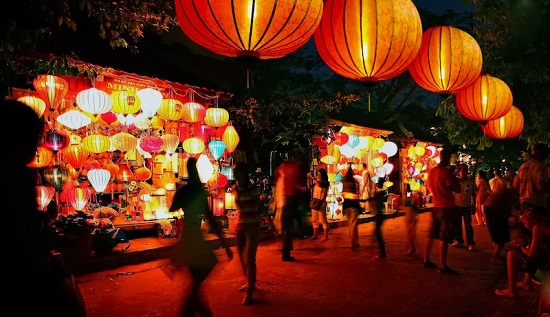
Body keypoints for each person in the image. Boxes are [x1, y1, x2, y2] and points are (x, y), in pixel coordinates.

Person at [1, 99, 86, 316]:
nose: (38, 147)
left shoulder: (19, 175)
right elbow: (22, 233)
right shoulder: (13, 179)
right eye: (35, 140)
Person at [167, 157, 233, 316]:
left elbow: (172, 208)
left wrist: (181, 196)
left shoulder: (184, 191)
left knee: (196, 281)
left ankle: (195, 311)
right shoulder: (200, 193)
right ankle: (197, 311)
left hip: (188, 235)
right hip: (195, 235)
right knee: (197, 281)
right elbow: (210, 219)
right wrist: (225, 242)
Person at [423, 148, 462, 275]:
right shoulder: (446, 172)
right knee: (444, 237)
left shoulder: (432, 171)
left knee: (431, 234)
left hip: (435, 206)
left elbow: (428, 187)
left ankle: (426, 259)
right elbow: (457, 188)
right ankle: (442, 265)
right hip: (446, 207)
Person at [495, 210, 550, 298]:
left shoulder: (537, 228)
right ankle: (526, 283)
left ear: (530, 220)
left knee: (511, 255)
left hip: (543, 275)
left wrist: (520, 246)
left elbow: (531, 254)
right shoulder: (545, 223)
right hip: (546, 265)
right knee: (531, 251)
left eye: (524, 222)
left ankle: (511, 291)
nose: (524, 225)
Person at [232, 162, 262, 305]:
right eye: (235, 173)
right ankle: (249, 282)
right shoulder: (235, 188)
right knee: (242, 257)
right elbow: (238, 207)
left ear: (244, 173)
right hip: (240, 224)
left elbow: (257, 205)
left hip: (252, 225)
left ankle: (249, 293)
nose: (236, 175)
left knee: (250, 258)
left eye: (239, 172)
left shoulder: (252, 188)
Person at [273, 155, 303, 261]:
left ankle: (286, 248)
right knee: (289, 226)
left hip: (283, 200)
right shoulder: (294, 168)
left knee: (285, 226)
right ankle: (287, 249)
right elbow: (295, 184)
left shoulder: (280, 170)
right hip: (290, 199)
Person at [513, 143, 550, 219]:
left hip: (523, 204)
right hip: (537, 205)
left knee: (526, 229)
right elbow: (541, 186)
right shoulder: (541, 166)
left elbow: (515, 184)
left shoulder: (523, 166)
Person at [484, 169, 512, 264]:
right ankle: (496, 255)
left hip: (489, 207)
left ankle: (495, 254)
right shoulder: (503, 184)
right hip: (497, 208)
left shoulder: (491, 182)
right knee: (501, 234)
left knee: (495, 234)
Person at [452, 164, 477, 251]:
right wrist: (457, 171)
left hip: (466, 205)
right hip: (456, 205)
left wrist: (474, 205)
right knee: (457, 224)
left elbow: (474, 193)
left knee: (468, 225)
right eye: (462, 170)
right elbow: (450, 177)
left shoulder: (470, 181)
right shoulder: (456, 180)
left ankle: (470, 243)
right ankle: (459, 240)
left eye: (465, 170)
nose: (464, 172)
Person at [342, 165, 361, 249]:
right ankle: (354, 243)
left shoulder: (343, 181)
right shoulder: (354, 181)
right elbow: (357, 193)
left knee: (351, 224)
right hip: (353, 205)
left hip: (346, 205)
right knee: (353, 224)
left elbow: (343, 193)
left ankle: (355, 241)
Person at [307, 168, 330, 240]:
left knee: (323, 219)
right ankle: (315, 235)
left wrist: (312, 177)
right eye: (318, 174)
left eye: (319, 174)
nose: (318, 175)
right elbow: (310, 187)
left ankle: (325, 236)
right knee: (314, 219)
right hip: (315, 201)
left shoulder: (325, 182)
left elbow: (319, 185)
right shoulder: (317, 181)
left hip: (321, 202)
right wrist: (309, 178)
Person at [370, 178, 387, 259]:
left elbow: (372, 200)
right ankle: (381, 252)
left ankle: (382, 253)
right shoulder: (382, 193)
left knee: (378, 234)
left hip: (379, 214)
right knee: (377, 233)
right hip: (380, 214)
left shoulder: (378, 193)